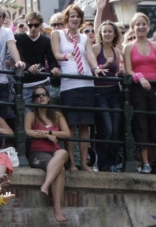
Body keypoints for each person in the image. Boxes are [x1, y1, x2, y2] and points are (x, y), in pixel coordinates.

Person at [51, 4, 100, 172]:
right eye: (72, 16)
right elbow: (56, 54)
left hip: (86, 82)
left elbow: (90, 54)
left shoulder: (85, 38)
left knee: (85, 125)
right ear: (66, 18)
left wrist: (96, 68)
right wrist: (66, 56)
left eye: (78, 16)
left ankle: (85, 163)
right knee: (71, 125)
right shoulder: (57, 34)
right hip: (69, 83)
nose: (75, 19)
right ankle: (72, 163)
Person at [125, 13, 156, 175]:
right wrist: (139, 78)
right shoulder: (128, 47)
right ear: (133, 28)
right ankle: (146, 163)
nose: (141, 27)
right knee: (141, 124)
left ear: (148, 27)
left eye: (143, 24)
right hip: (138, 88)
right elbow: (128, 69)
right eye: (137, 24)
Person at [25, 85, 71, 222]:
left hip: (56, 152)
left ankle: (46, 185)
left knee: (62, 152)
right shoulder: (31, 115)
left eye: (43, 94)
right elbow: (27, 131)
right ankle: (57, 208)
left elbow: (67, 133)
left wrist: (48, 133)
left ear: (49, 98)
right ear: (34, 100)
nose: (41, 97)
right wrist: (47, 137)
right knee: (61, 169)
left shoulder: (57, 115)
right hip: (37, 154)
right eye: (38, 96)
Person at [91, 19, 122, 172]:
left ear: (114, 33)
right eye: (105, 31)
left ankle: (112, 162)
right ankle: (102, 164)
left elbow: (116, 72)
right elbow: (91, 69)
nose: (107, 33)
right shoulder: (96, 48)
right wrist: (105, 65)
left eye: (110, 31)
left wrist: (119, 73)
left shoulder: (117, 51)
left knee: (116, 129)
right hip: (100, 92)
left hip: (115, 92)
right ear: (101, 34)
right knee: (107, 129)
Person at [15, 11, 61, 112]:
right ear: (26, 25)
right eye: (30, 25)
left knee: (44, 114)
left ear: (41, 25)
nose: (33, 28)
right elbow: (19, 57)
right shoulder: (19, 38)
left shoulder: (46, 40)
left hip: (43, 83)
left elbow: (51, 59)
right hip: (26, 84)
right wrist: (28, 67)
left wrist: (55, 68)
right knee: (27, 116)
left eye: (36, 25)